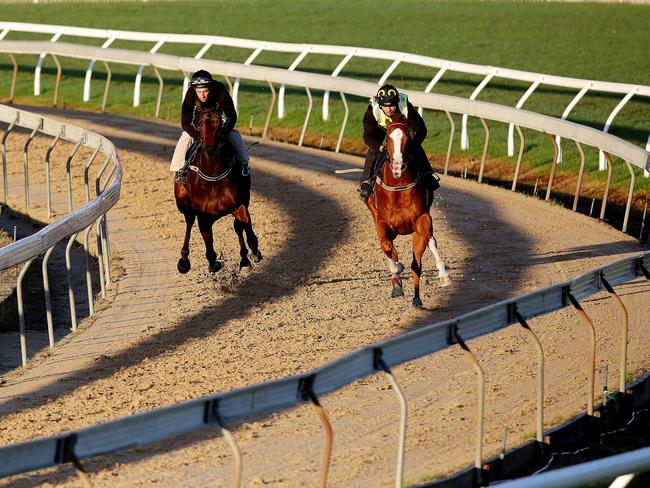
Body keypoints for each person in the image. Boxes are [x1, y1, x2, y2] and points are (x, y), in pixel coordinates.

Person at [358, 83, 437, 202]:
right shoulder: (372, 110)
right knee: (373, 149)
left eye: (392, 106)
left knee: (413, 145)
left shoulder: (405, 107)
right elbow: (367, 136)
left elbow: (421, 130)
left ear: (397, 102)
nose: (389, 109)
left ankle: (427, 173)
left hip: (402, 127)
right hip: (381, 128)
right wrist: (380, 147)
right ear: (379, 104)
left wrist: (411, 145)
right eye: (385, 106)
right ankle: (366, 181)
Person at [170, 70, 249, 181]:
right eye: (199, 91)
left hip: (218, 126)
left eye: (205, 91)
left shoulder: (220, 90)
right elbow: (186, 122)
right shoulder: (190, 94)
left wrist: (222, 132)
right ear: (194, 90)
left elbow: (231, 115)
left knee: (234, 134)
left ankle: (244, 164)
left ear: (211, 88)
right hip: (200, 126)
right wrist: (199, 136)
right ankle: (178, 168)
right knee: (185, 136)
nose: (202, 95)